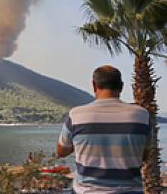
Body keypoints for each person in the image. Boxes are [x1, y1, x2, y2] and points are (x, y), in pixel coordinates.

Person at [57, 65, 150, 194]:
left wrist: (81, 140)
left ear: (94, 86)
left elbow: (61, 151)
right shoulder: (142, 115)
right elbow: (144, 155)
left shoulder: (76, 115)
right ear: (121, 86)